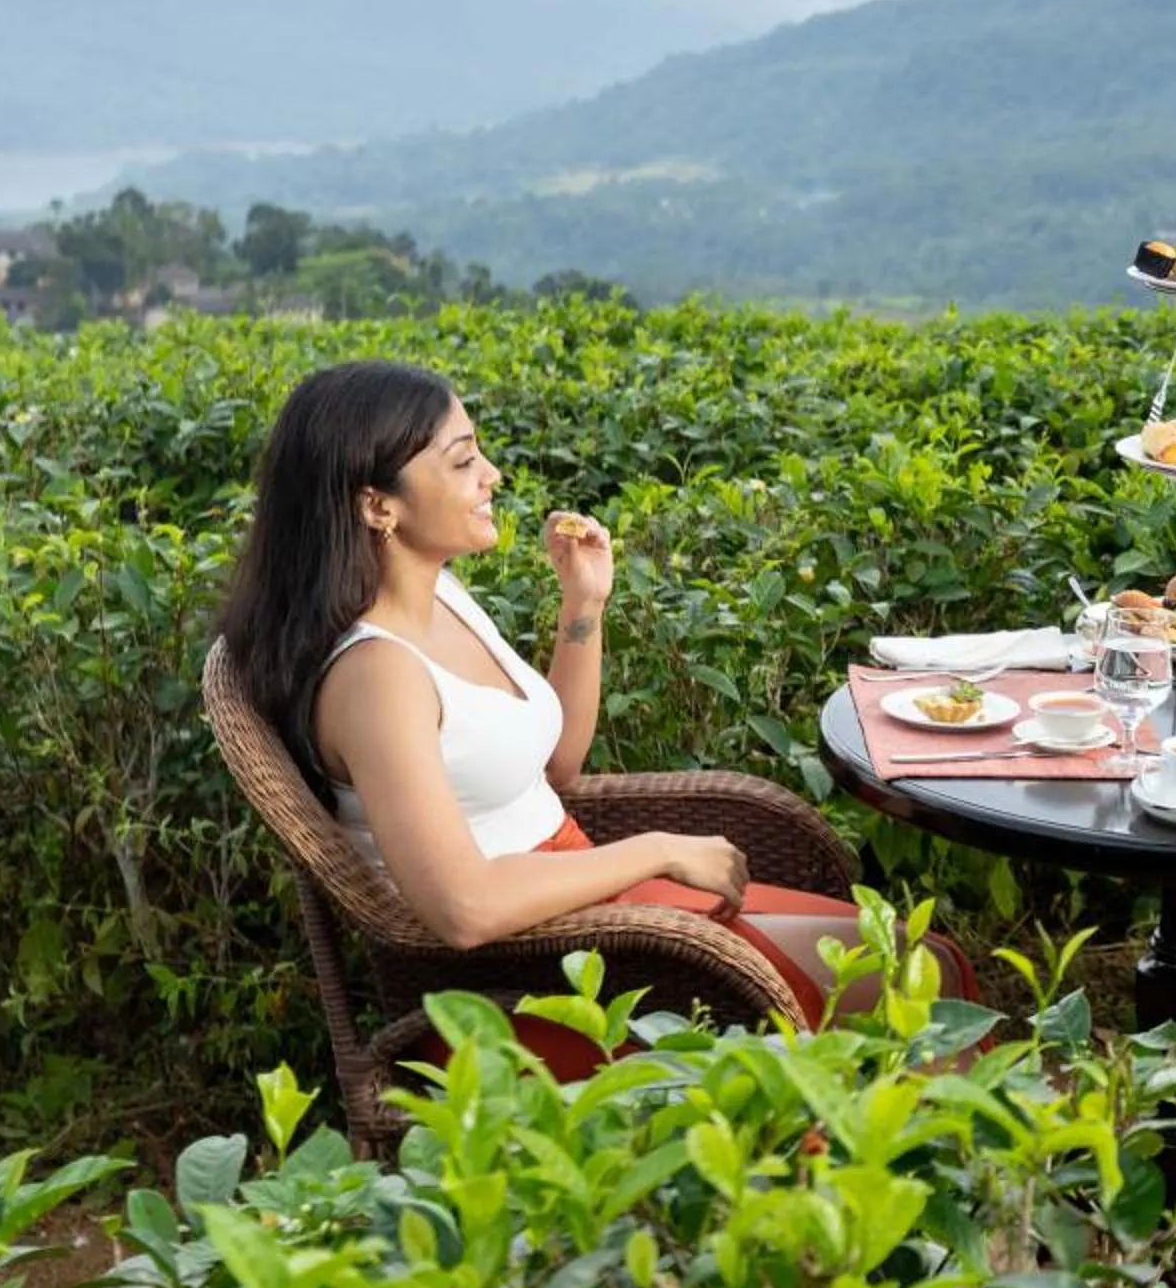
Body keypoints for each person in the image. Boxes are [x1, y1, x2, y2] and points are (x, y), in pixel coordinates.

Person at [217, 360, 973, 1058]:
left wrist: (585, 603)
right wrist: (657, 849)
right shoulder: (377, 677)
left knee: (921, 961)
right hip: (532, 975)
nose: (492, 475)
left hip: (586, 897)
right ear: (377, 506)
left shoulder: (438, 591)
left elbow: (558, 766)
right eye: (462, 461)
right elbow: (464, 908)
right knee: (919, 980)